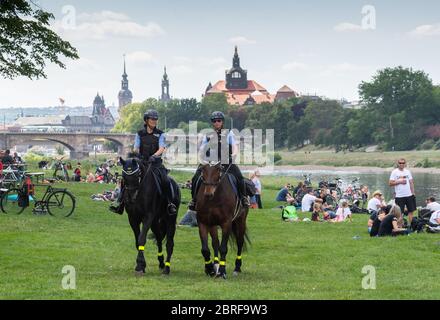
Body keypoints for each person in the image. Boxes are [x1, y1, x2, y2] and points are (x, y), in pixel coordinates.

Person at [109, 109, 177, 215]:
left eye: (156, 119)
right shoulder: (139, 134)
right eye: (152, 119)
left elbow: (162, 148)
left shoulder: (160, 134)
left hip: (156, 164)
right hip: (142, 163)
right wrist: (136, 156)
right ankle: (120, 203)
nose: (155, 121)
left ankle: (169, 204)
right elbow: (136, 148)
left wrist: (154, 156)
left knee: (166, 180)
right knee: (126, 178)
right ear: (146, 120)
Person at [188, 111, 249, 211]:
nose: (217, 122)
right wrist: (202, 158)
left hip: (226, 162)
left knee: (239, 177)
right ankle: (194, 200)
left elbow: (234, 147)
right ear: (212, 122)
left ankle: (243, 198)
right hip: (210, 164)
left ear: (222, 122)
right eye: (214, 121)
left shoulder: (229, 133)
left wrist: (233, 155)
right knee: (196, 178)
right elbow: (202, 148)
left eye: (219, 120)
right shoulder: (207, 135)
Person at [389, 158, 416, 224]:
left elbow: (411, 182)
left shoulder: (407, 171)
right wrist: (399, 181)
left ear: (405, 164)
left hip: (409, 195)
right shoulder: (394, 172)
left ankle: (411, 226)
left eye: (403, 163)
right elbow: (390, 183)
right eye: (400, 163)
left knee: (411, 211)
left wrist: (413, 193)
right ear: (398, 164)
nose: (401, 164)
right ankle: (399, 227)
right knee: (399, 213)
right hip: (399, 196)